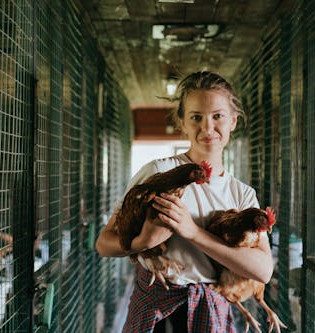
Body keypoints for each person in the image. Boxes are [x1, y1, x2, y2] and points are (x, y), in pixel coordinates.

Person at [95, 71, 274, 332]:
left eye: (218, 116)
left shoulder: (243, 194)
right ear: (182, 122)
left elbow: (263, 270)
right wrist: (141, 243)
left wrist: (193, 232)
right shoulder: (158, 172)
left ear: (233, 121)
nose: (207, 127)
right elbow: (104, 243)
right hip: (156, 302)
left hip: (210, 304)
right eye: (196, 117)